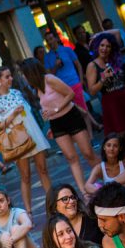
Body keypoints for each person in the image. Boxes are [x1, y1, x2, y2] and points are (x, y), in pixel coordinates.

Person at [20, 58, 98, 195]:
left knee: (88, 153)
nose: (23, 77)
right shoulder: (37, 88)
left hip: (71, 117)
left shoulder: (49, 79)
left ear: (30, 73)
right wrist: (48, 115)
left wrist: (55, 110)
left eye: (24, 74)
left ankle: (108, 178)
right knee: (71, 158)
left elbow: (70, 93)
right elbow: (49, 107)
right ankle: (83, 191)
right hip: (56, 124)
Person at [0, 66, 52, 214]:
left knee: (43, 170)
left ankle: (53, 204)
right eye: (7, 77)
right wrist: (13, 114)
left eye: (10, 75)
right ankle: (28, 212)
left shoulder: (16, 92)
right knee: (25, 176)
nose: (11, 78)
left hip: (33, 133)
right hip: (18, 140)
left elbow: (28, 113)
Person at [85, 33, 125, 135]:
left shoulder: (116, 60)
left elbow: (117, 32)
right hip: (112, 103)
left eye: (108, 46)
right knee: (122, 134)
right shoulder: (92, 65)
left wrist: (99, 34)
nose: (104, 49)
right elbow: (92, 91)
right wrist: (103, 79)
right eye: (102, 45)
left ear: (112, 48)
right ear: (97, 46)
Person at [43, 30, 94, 137]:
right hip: (61, 89)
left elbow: (78, 65)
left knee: (84, 110)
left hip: (74, 83)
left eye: (51, 39)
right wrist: (56, 66)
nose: (50, 42)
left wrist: (80, 81)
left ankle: (90, 136)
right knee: (72, 113)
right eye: (47, 41)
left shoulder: (67, 50)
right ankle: (81, 136)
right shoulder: (47, 57)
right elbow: (49, 76)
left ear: (56, 39)